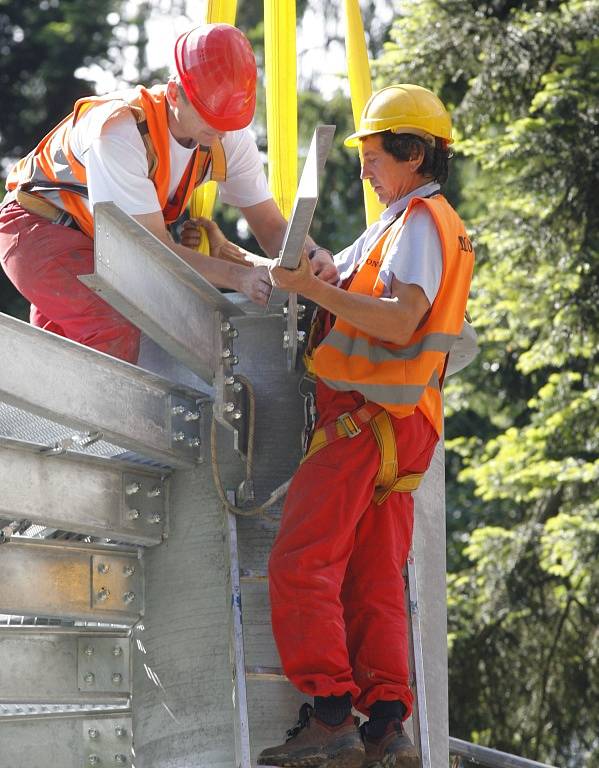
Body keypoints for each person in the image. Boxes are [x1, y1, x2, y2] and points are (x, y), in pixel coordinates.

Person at [257, 84, 475, 767]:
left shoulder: (418, 223)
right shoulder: (402, 223)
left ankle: (328, 715)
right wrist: (318, 271)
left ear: (412, 153)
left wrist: (314, 290)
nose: (364, 170)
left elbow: (402, 317)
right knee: (375, 579)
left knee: (303, 561)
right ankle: (383, 723)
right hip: (401, 427)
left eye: (375, 155)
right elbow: (350, 281)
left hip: (363, 418)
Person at [0, 23, 335, 363]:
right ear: (175, 94)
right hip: (38, 228)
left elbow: (271, 226)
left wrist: (313, 255)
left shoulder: (225, 135)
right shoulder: (118, 131)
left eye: (229, 121)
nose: (220, 131)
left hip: (96, 240)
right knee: (113, 326)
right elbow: (151, 251)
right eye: (210, 118)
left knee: (61, 360)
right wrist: (239, 276)